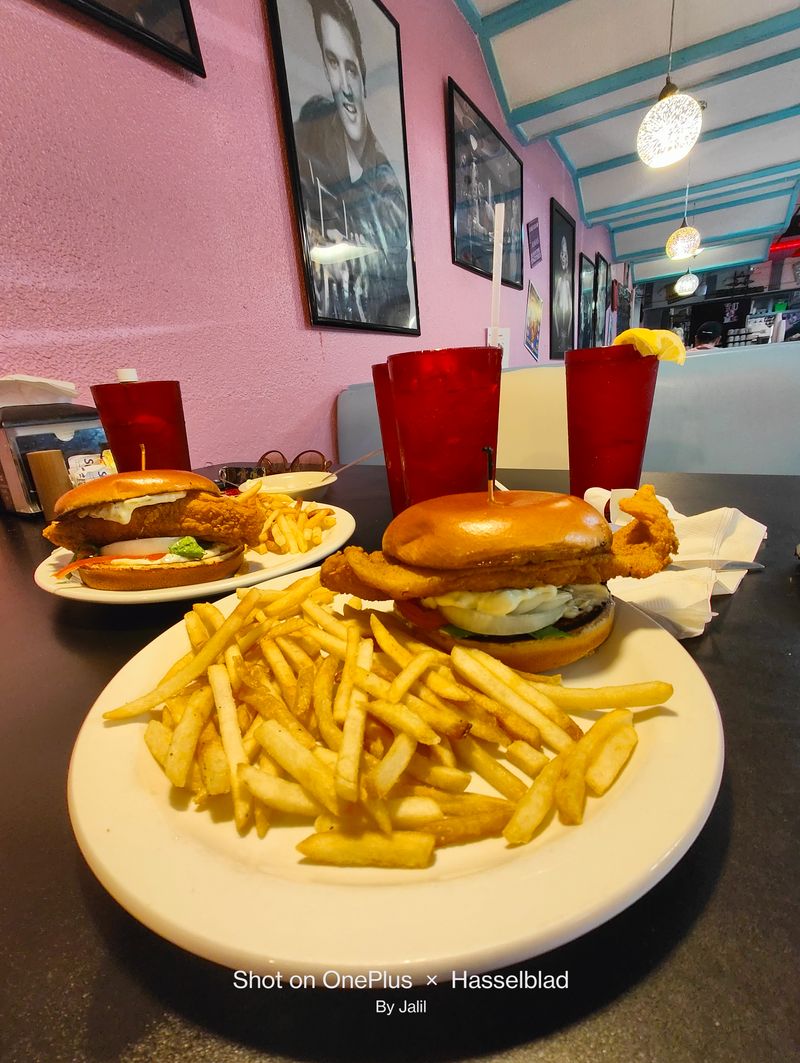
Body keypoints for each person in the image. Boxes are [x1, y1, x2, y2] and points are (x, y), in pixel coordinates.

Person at [294, 0, 411, 328]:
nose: (344, 86)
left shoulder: (389, 195)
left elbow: (398, 308)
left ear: (362, 75)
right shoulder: (310, 137)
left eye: (351, 68)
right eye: (333, 63)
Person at [552, 235, 573, 357]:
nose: (564, 258)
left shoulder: (567, 282)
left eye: (565, 255)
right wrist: (556, 327)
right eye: (562, 255)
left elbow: (570, 305)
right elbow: (555, 305)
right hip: (560, 320)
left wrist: (568, 329)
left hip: (564, 319)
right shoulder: (559, 281)